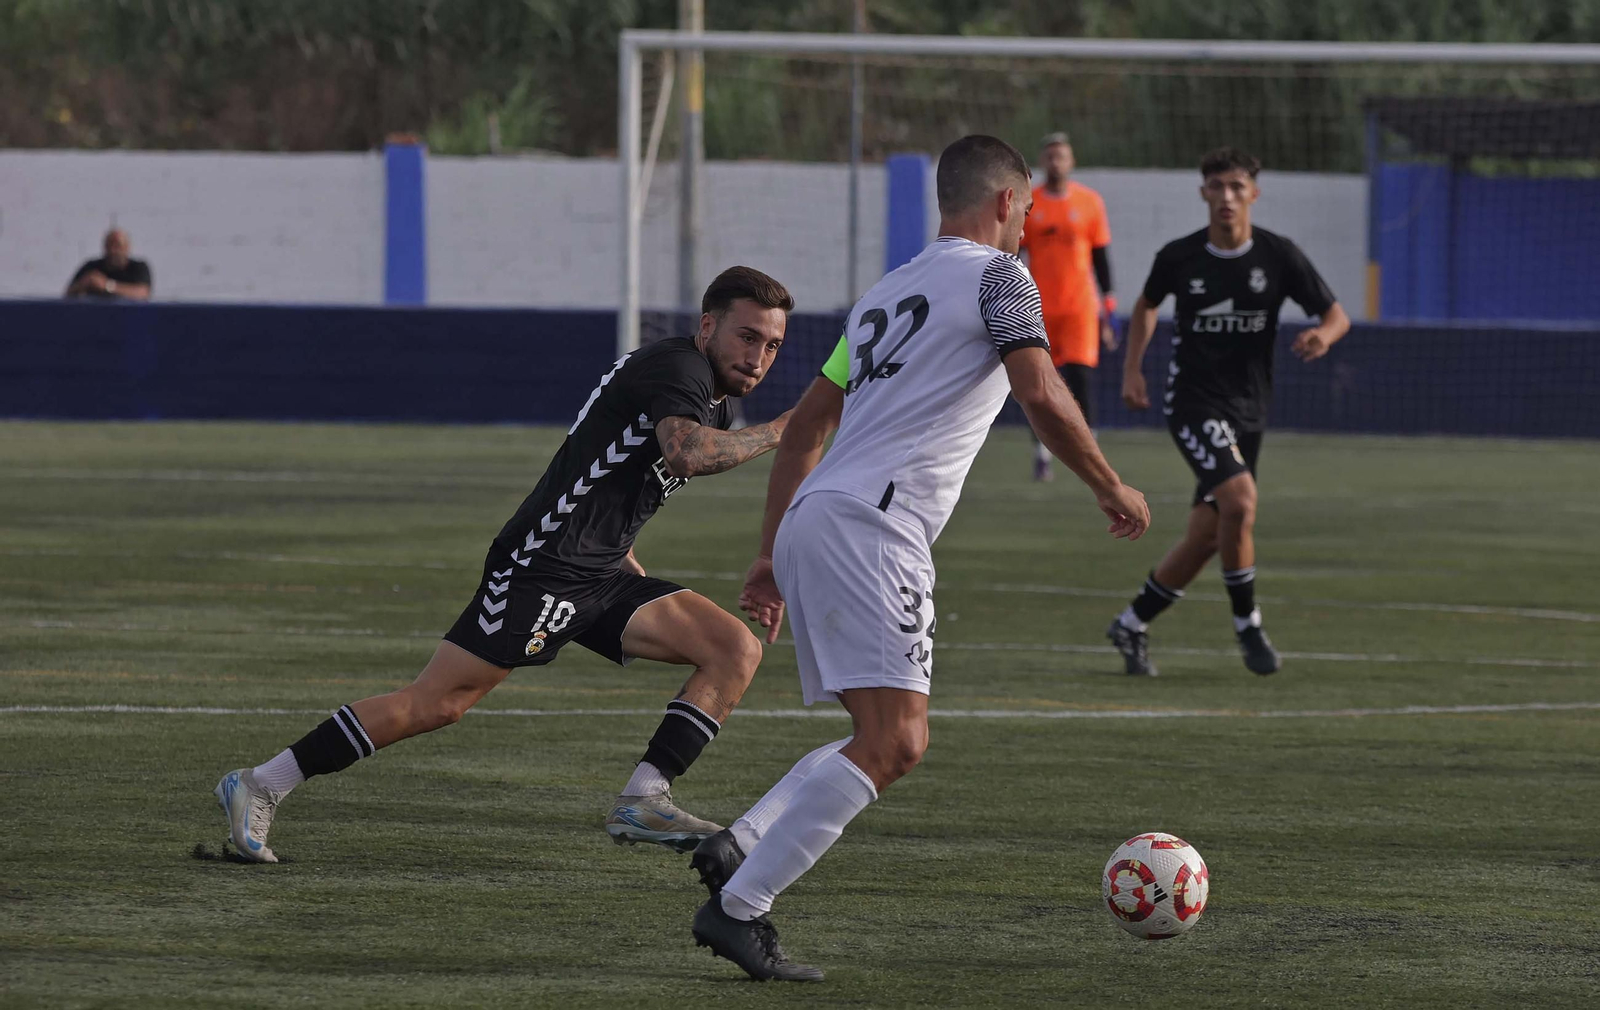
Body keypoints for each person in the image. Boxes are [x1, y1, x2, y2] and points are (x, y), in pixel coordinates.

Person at [685, 136, 1151, 981]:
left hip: (821, 516)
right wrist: (1110, 484)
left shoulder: (883, 293)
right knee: (897, 741)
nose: (1027, 228)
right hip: (876, 529)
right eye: (1027, 212)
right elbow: (1041, 390)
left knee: (875, 732)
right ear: (1007, 202)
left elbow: (806, 429)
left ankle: (742, 841)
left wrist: (768, 551)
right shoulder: (1002, 277)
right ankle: (740, 908)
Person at [214, 266, 798, 863]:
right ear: (708, 327)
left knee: (733, 649)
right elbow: (687, 451)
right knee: (438, 703)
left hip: (598, 573)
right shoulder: (681, 369)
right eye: (747, 336)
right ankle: (262, 783)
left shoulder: (712, 400)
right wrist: (782, 431)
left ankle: (644, 799)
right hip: (540, 568)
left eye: (772, 344)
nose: (758, 356)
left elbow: (603, 457)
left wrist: (619, 547)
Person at [1108, 147, 1351, 678]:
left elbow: (1335, 315)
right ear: (1203, 193)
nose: (1226, 197)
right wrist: (1132, 369)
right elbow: (1147, 305)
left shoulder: (1279, 255)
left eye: (1237, 187)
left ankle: (1132, 622)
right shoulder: (1180, 256)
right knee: (1240, 501)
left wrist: (1322, 336)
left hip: (1250, 409)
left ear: (1254, 194)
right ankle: (1248, 626)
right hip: (1193, 401)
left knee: (1207, 535)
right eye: (1216, 187)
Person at [1018, 131, 1116, 481]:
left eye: (1062, 156)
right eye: (1050, 156)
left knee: (1080, 381)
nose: (1056, 162)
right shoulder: (1030, 204)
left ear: (1071, 161)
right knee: (1039, 385)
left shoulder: (1090, 203)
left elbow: (1101, 259)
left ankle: (1088, 458)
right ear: (1042, 162)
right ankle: (1041, 455)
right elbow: (1014, 254)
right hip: (1037, 308)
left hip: (1079, 311)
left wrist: (1110, 310)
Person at [64, 228, 152, 301]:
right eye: (109, 245)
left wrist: (107, 286)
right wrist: (84, 284)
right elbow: (68, 294)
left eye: (118, 246)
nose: (113, 250)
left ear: (127, 247)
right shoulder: (92, 267)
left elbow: (142, 293)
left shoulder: (139, 268)